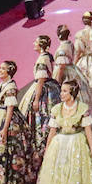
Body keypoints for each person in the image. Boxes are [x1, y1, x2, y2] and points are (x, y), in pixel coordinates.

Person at [18, 34, 62, 176]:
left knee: (42, 118)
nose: (33, 44)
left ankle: (43, 147)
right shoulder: (47, 56)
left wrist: (36, 99)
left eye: (36, 42)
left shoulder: (42, 59)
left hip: (44, 92)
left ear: (41, 45)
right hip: (51, 88)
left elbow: (41, 80)